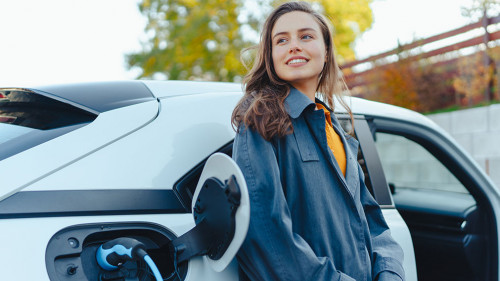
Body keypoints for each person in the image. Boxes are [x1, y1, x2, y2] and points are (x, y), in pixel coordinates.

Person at [231, 1, 405, 281]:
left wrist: (389, 270)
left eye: (306, 36)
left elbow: (372, 220)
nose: (294, 46)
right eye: (281, 40)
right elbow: (265, 233)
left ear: (326, 51)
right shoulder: (259, 119)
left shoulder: (335, 130)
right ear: (271, 55)